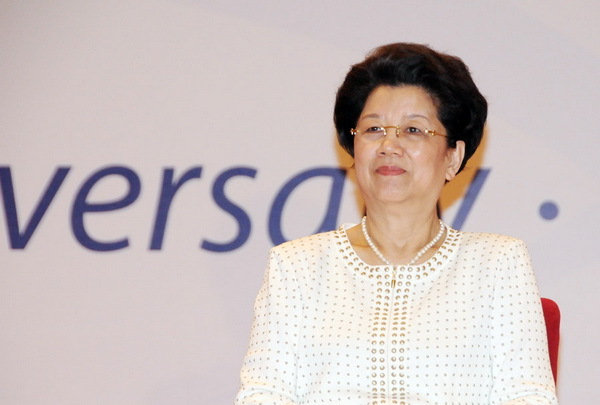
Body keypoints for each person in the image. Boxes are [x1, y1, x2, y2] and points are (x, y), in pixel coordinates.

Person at [235, 43, 558, 404]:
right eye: (373, 129)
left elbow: (529, 397)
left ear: (453, 156)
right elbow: (262, 395)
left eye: (413, 131)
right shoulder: (296, 267)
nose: (389, 145)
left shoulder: (498, 264)